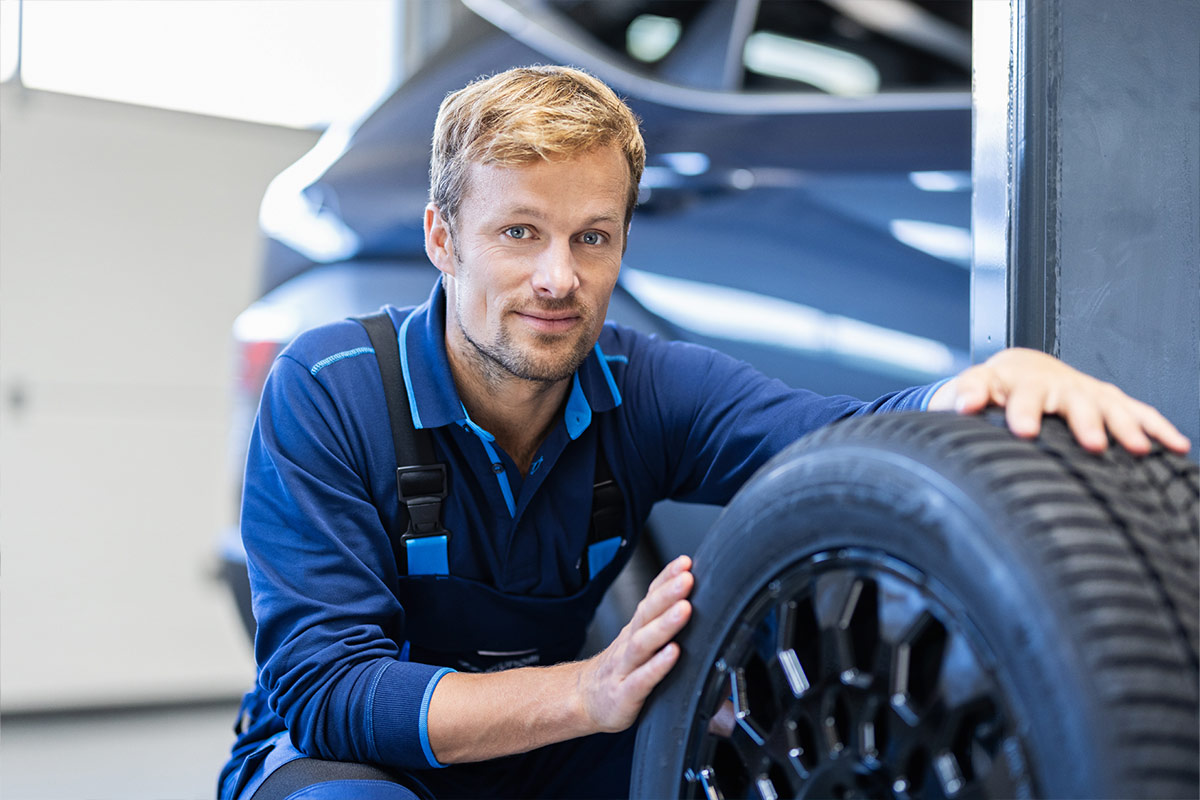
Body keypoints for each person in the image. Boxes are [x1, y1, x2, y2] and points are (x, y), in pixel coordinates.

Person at [218, 65, 1190, 800]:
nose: (559, 276)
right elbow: (328, 688)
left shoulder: (647, 386)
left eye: (591, 236)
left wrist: (981, 386)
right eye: (520, 233)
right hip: (343, 761)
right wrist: (590, 691)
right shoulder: (329, 387)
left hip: (547, 755)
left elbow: (841, 442)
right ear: (442, 237)